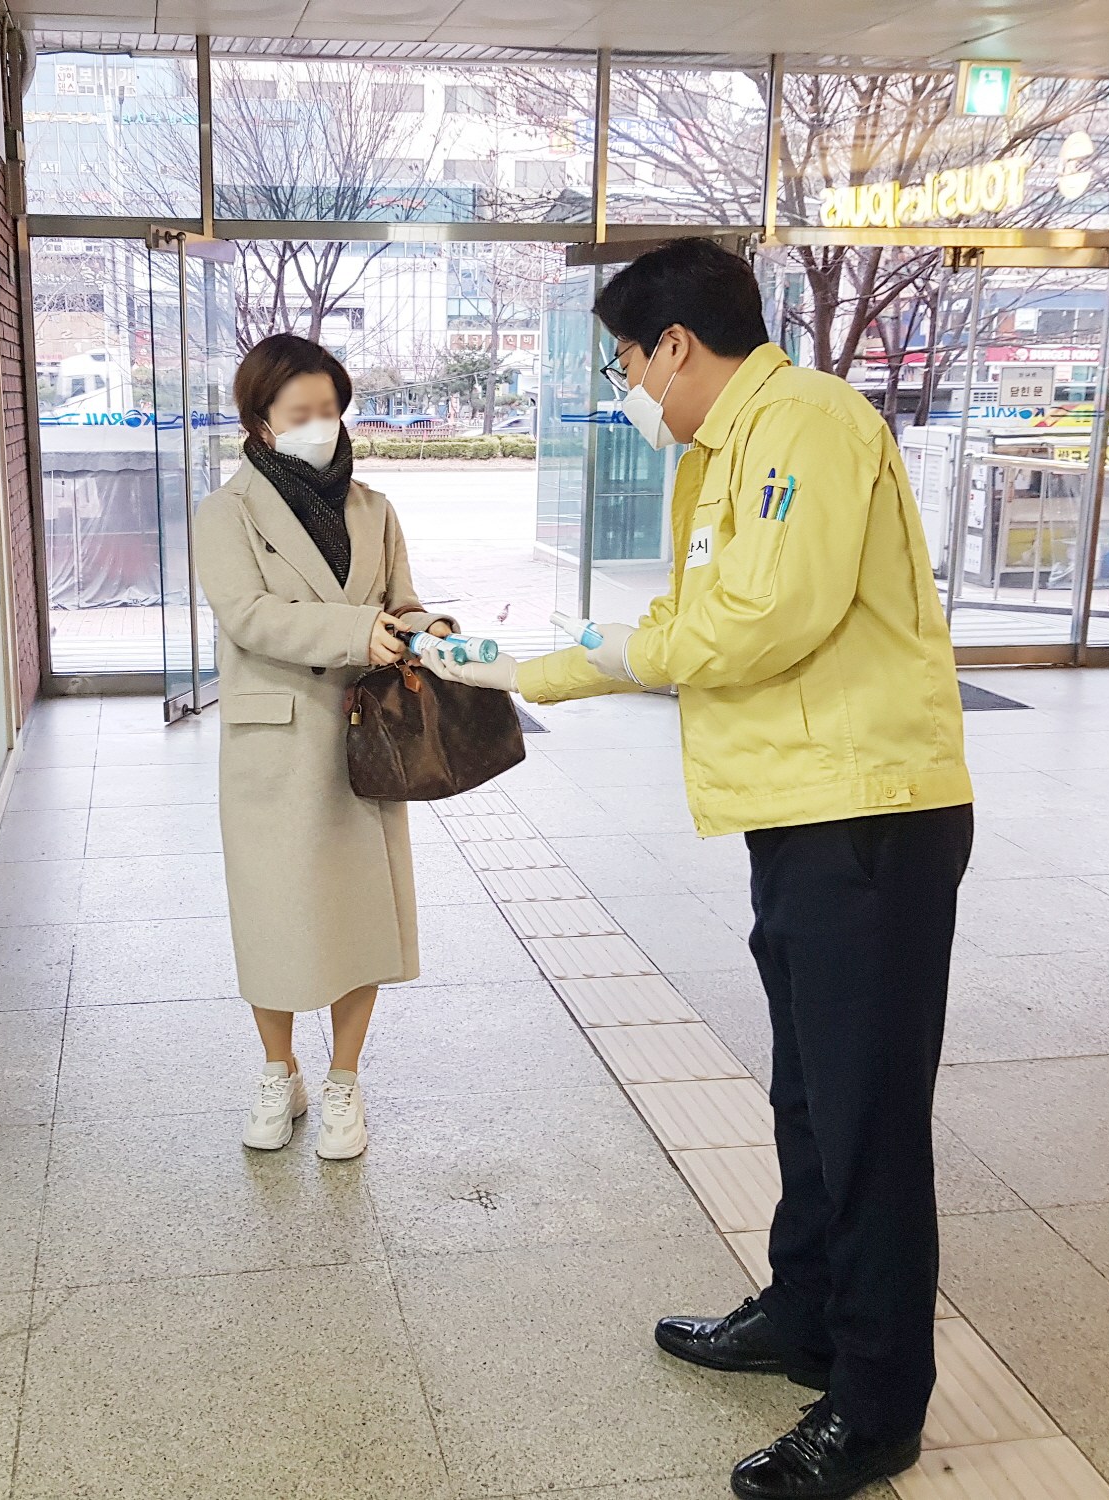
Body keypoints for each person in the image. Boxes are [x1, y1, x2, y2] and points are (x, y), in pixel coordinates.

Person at [419, 239, 973, 1500]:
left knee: (869, 1120)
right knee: (806, 1095)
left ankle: (876, 1406)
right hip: (803, 810)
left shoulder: (806, 423)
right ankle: (805, 1313)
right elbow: (707, 619)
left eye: (626, 359)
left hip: (870, 815)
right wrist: (520, 653)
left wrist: (541, 658)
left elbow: (752, 621)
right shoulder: (735, 446)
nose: (628, 386)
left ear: (675, 344)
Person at [193, 334, 455, 1160]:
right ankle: (280, 1074)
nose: (321, 426)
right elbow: (250, 615)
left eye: (331, 410)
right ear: (261, 422)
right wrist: (359, 631)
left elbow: (401, 602)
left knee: (357, 917)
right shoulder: (226, 512)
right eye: (300, 412)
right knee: (273, 917)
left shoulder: (374, 508)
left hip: (362, 740)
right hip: (275, 741)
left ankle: (344, 1082)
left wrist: (426, 627)